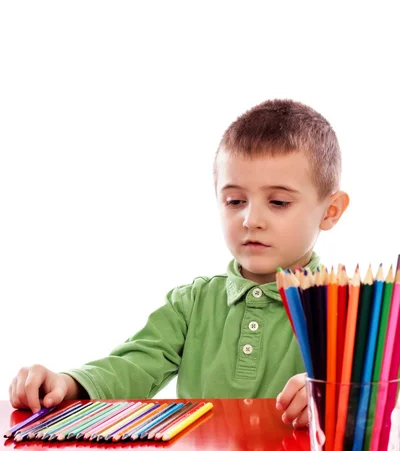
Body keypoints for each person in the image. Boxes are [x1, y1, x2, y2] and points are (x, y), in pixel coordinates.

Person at [8, 99, 349, 429]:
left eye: (278, 202)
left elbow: (373, 399)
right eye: (235, 201)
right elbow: (134, 366)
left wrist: (331, 392)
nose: (251, 219)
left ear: (330, 211)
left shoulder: (346, 308)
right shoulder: (191, 303)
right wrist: (68, 384)